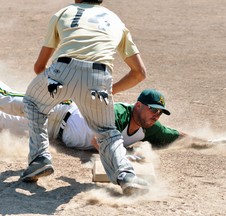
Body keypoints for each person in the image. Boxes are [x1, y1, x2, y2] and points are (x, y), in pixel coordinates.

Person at [21, 0, 148, 195]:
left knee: (32, 103)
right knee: (107, 132)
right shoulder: (116, 20)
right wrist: (109, 90)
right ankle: (126, 176)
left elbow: (39, 67)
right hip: (99, 77)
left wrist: (53, 86)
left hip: (62, 69)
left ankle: (39, 159)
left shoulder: (64, 12)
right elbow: (139, 73)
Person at [0, 81, 184, 151]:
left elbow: (178, 137)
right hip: (61, 111)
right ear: (138, 106)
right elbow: (99, 140)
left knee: (3, 122)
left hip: (53, 131)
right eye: (153, 109)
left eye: (160, 112)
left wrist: (210, 143)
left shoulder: (150, 128)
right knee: (6, 100)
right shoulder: (119, 114)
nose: (157, 115)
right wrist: (124, 158)